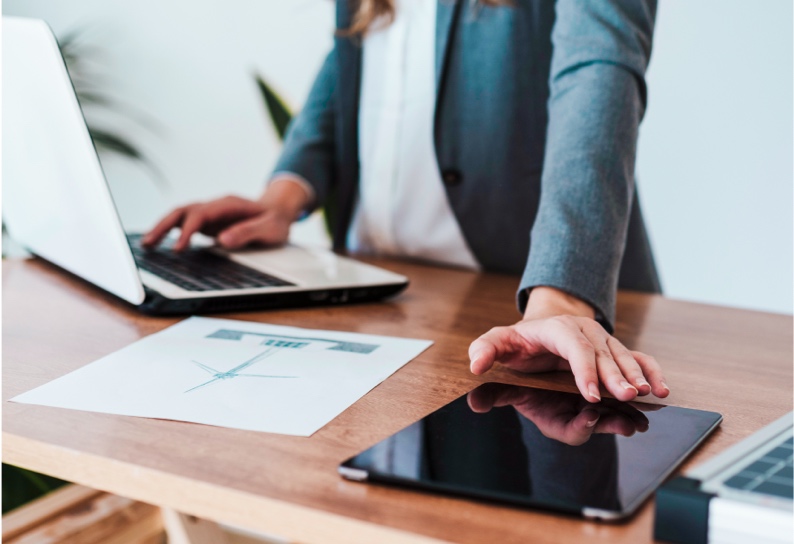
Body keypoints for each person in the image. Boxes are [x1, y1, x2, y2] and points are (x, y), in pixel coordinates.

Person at [143, 0, 669, 404]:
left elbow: (597, 69)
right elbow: (353, 54)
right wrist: (284, 194)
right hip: (385, 300)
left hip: (532, 306)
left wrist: (560, 299)